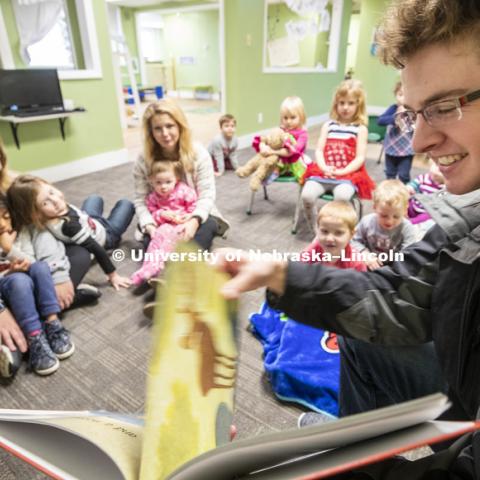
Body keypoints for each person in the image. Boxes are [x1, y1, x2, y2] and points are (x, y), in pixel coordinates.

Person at [215, 0, 480, 476]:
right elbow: (399, 294)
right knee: (358, 337)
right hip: (463, 377)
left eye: (443, 107)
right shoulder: (471, 213)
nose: (418, 141)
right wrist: (283, 274)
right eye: (415, 112)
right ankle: (354, 445)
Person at [7, 175, 134, 291]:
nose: (55, 200)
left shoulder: (54, 211)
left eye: (51, 192)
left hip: (88, 219)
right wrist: (113, 276)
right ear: (36, 213)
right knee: (126, 204)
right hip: (107, 234)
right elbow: (96, 248)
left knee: (94, 198)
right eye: (45, 202)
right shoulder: (69, 227)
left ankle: (94, 213)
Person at [133, 98, 228, 252]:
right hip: (161, 218)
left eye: (170, 126)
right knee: (150, 245)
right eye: (158, 128)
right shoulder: (143, 159)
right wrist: (150, 226)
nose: (165, 134)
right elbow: (140, 200)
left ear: (180, 126)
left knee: (207, 226)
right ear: (151, 132)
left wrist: (193, 221)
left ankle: (183, 262)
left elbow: (207, 195)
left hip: (191, 213)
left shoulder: (199, 153)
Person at [0, 193, 73, 375]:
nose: (2, 224)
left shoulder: (19, 233)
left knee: (40, 267)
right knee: (18, 281)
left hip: (29, 283)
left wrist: (10, 250)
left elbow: (31, 261)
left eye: (5, 217)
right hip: (8, 288)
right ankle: (35, 338)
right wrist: (10, 271)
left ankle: (52, 323)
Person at [301, 80, 375, 232]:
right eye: (341, 103)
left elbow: (360, 158)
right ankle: (317, 231)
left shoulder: (360, 129)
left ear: (358, 105)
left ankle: (338, 231)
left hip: (347, 175)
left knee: (341, 197)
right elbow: (319, 150)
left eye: (351, 103)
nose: (345, 107)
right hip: (323, 171)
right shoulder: (328, 126)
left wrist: (342, 172)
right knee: (307, 195)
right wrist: (324, 167)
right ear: (336, 104)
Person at [131, 161, 197, 285]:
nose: (163, 187)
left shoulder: (184, 191)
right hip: (165, 225)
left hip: (181, 225)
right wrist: (161, 214)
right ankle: (146, 269)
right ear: (151, 181)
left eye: (168, 182)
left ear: (176, 179)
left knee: (168, 245)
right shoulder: (153, 197)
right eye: (158, 183)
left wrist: (188, 216)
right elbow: (152, 212)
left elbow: (193, 205)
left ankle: (159, 268)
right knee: (155, 241)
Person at [352, 180, 417, 270]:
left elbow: (410, 253)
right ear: (374, 207)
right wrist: (364, 253)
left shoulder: (407, 228)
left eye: (396, 216)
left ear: (405, 210)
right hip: (368, 263)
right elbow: (353, 240)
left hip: (394, 268)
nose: (389, 221)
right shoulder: (367, 221)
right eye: (384, 215)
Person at [378, 81, 415, 183]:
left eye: (407, 95)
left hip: (407, 150)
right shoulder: (393, 108)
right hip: (391, 148)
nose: (403, 98)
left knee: (404, 175)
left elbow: (414, 127)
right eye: (400, 94)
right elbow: (380, 120)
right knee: (390, 174)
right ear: (396, 95)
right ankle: (390, 193)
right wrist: (395, 119)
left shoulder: (414, 111)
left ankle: (404, 194)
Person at [407, 159, 445, 224]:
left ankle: (410, 223)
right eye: (436, 165)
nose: (438, 168)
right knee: (404, 203)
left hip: (427, 211)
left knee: (431, 217)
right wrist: (409, 188)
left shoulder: (445, 187)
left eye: (443, 167)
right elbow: (413, 184)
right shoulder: (424, 177)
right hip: (414, 204)